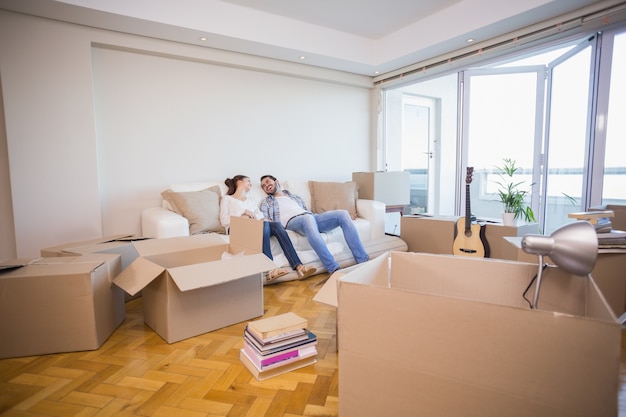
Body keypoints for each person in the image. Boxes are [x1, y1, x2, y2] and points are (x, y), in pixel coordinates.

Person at [259, 175, 369, 274]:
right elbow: (264, 219)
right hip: (293, 222)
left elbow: (307, 212)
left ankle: (362, 260)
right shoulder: (267, 202)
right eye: (264, 186)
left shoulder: (294, 197)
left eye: (268, 182)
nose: (266, 185)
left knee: (343, 214)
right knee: (307, 219)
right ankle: (333, 267)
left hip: (311, 217)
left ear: (276, 181)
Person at [220, 175, 316, 282]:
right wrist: (243, 213)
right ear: (239, 181)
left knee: (276, 226)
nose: (251, 184)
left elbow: (260, 216)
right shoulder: (227, 199)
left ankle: (299, 266)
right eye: (248, 181)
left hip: (254, 227)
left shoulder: (250, 201)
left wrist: (260, 219)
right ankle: (270, 268)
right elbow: (224, 221)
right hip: (237, 230)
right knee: (263, 225)